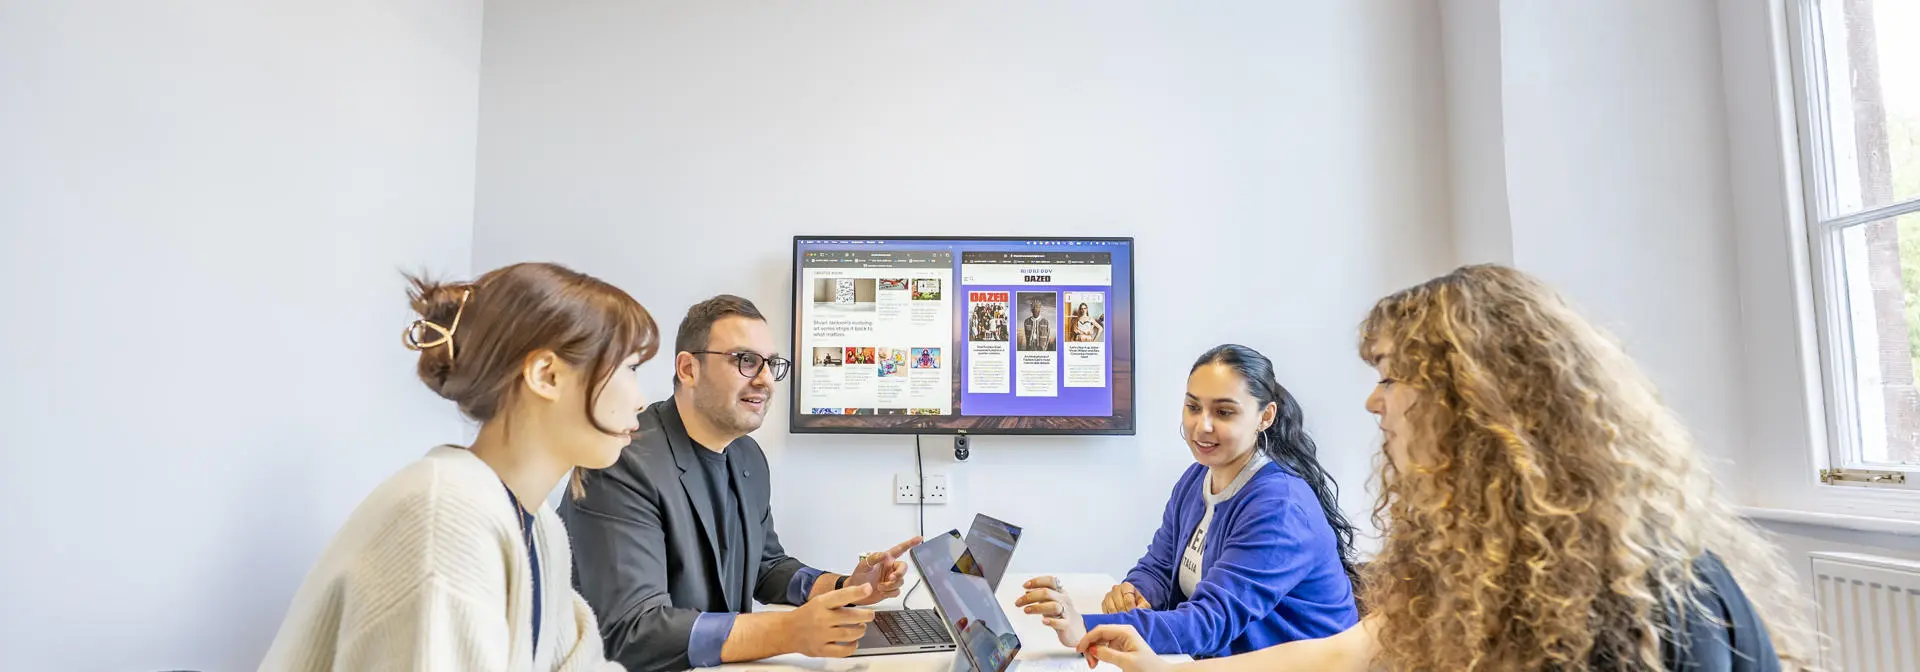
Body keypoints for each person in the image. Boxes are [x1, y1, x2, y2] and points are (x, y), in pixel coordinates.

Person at [1075, 265, 1821, 672]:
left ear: (1478, 404)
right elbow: (1353, 651)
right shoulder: (1480, 550)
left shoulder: (1626, 586)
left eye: (1394, 377)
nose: (1373, 402)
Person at [262, 262, 658, 670]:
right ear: (547, 375)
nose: (641, 399)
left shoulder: (540, 528)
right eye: (630, 367)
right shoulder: (446, 514)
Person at [562, 295, 922, 672]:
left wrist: (847, 586)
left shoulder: (747, 457)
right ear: (688, 369)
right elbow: (633, 632)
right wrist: (789, 631)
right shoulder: (621, 464)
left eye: (771, 364)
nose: (765, 379)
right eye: (745, 361)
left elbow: (767, 567)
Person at [1017, 345, 1359, 659]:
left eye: (1224, 412)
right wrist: (1136, 592)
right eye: (1193, 407)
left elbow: (1210, 622)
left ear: (1265, 417)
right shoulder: (1198, 478)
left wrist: (1085, 627)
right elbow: (1160, 565)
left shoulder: (1280, 507)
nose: (1201, 426)